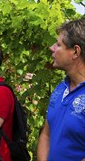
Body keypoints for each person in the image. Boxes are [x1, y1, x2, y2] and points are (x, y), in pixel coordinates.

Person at [37, 17, 85, 161]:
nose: (52, 48)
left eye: (58, 44)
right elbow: (47, 133)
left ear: (75, 52)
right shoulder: (60, 88)